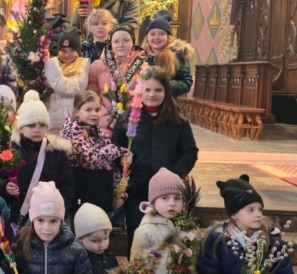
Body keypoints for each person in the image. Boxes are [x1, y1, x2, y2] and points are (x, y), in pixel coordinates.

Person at [115, 67, 198, 258]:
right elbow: (116, 148)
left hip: (167, 194)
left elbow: (189, 152)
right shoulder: (126, 119)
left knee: (167, 240)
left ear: (166, 92)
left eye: (158, 90)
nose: (152, 95)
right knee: (138, 237)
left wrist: (174, 175)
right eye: (147, 89)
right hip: (137, 189)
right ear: (140, 91)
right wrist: (122, 160)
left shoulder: (178, 122)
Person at [0, 91, 75, 223]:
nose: (37, 129)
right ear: (21, 128)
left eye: (42, 125)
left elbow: (66, 187)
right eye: (31, 125)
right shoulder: (10, 151)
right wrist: (4, 186)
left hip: (47, 217)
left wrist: (60, 212)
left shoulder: (56, 152)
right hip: (16, 214)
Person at [61, 91, 121, 218]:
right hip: (83, 194)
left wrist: (119, 194)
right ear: (77, 112)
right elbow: (90, 159)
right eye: (88, 110)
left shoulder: (98, 132)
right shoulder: (73, 131)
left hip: (102, 193)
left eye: (97, 109)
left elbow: (110, 165)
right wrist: (117, 150)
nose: (94, 114)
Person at [88, 24, 149, 136]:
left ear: (133, 42)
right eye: (116, 41)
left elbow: (146, 97)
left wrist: (131, 117)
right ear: (110, 44)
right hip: (104, 125)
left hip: (133, 124)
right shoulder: (97, 66)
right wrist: (107, 119)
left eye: (126, 40)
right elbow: (92, 96)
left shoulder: (143, 67)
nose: (121, 45)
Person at [44, 32, 90, 135]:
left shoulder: (82, 65)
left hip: (73, 121)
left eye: (72, 50)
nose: (67, 54)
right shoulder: (53, 65)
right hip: (52, 120)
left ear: (78, 51)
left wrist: (50, 64)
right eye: (63, 50)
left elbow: (69, 89)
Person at [144, 10, 194, 98]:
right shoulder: (141, 55)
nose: (156, 37)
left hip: (168, 102)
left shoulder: (176, 54)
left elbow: (186, 83)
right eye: (152, 34)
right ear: (147, 37)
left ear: (168, 36)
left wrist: (163, 84)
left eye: (161, 34)